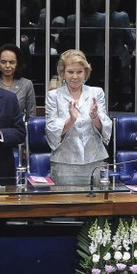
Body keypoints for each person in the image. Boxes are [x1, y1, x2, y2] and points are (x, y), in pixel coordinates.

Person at [45, 49, 112, 185]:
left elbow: (105, 128)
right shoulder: (53, 96)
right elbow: (51, 130)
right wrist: (71, 120)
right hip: (65, 163)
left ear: (85, 73)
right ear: (63, 73)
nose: (75, 76)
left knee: (96, 204)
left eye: (79, 72)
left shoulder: (96, 92)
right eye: (70, 72)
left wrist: (95, 117)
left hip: (94, 160)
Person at [0, 43, 36, 119]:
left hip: (18, 128)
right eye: (3, 62)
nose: (7, 66)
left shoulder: (26, 84)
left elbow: (31, 115)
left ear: (18, 64)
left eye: (12, 62)